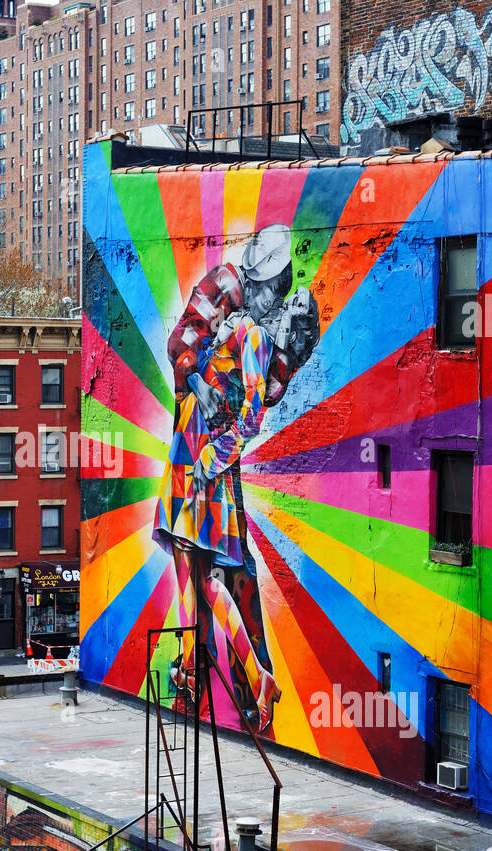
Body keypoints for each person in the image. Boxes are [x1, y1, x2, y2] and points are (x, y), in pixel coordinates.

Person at [154, 223, 321, 732]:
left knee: (205, 569)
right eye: (278, 291)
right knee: (199, 567)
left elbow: (251, 411)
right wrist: (201, 380)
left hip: (202, 451)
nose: (278, 298)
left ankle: (240, 674)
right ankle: (207, 665)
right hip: (200, 445)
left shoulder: (255, 337)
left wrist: (214, 450)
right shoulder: (234, 302)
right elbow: (180, 343)